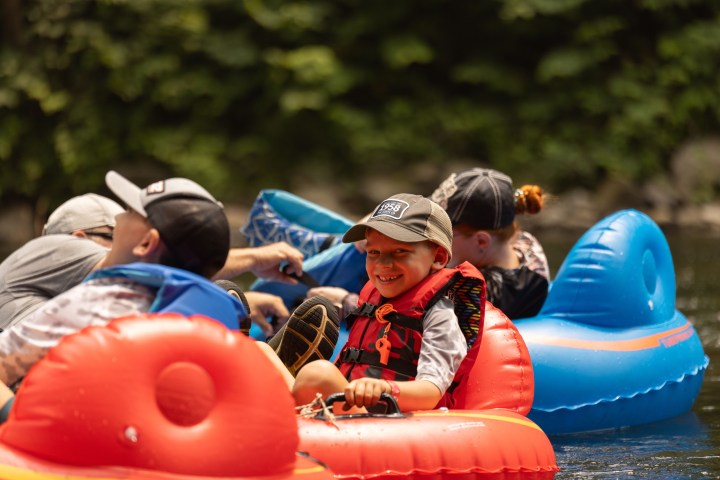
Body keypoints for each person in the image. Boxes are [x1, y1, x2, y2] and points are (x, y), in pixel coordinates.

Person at [0, 171, 312, 387]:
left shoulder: (96, 300)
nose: (120, 218)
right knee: (255, 348)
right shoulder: (208, 319)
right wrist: (253, 260)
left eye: (129, 215)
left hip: (48, 432)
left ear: (146, 243)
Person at [286, 193, 479, 413]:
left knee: (317, 375)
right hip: (353, 410)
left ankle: (285, 413)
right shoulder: (372, 299)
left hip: (390, 424)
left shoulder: (440, 315)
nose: (383, 264)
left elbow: (431, 392)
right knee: (260, 351)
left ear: (438, 258)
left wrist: (384, 388)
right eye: (373, 252)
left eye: (400, 252)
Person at [429, 168, 549, 319]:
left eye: (443, 231)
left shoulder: (483, 292)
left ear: (481, 241)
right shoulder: (526, 243)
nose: (431, 237)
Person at [0, 194, 124, 330]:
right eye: (118, 238)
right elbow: (128, 267)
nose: (124, 246)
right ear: (79, 239)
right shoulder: (62, 248)